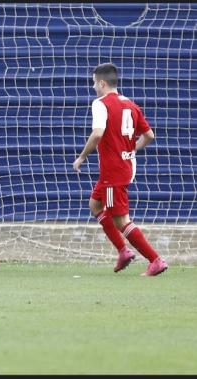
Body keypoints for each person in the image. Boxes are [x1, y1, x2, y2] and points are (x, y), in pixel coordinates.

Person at [72, 62, 168, 276]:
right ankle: (123, 251)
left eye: (94, 83)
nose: (94, 87)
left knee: (121, 220)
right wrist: (130, 150)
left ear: (102, 83)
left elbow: (98, 133)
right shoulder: (131, 105)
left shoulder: (100, 103)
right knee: (95, 204)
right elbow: (150, 135)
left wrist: (81, 157)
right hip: (124, 166)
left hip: (113, 171)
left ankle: (155, 260)